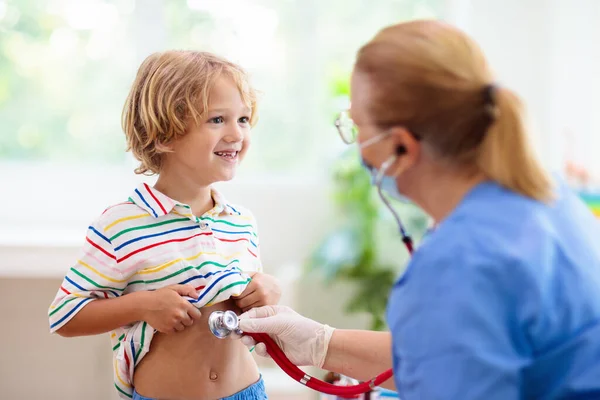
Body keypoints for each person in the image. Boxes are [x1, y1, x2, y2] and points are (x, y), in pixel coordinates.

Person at [238, 20, 600, 399]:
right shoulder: (550, 198)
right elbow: (456, 354)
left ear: (401, 147)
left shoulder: (460, 262)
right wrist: (322, 343)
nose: (356, 144)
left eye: (356, 127)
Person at [48, 51, 281, 400]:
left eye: (244, 119)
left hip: (247, 392)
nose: (237, 133)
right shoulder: (121, 225)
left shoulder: (241, 223)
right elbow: (64, 317)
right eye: (218, 119)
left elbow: (249, 312)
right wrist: (143, 306)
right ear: (165, 134)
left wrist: (266, 294)